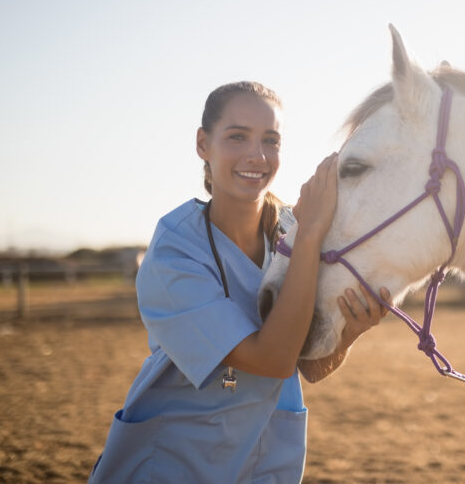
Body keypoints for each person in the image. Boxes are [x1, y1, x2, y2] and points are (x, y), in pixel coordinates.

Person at [89, 81, 390, 483]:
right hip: (174, 463)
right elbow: (272, 361)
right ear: (202, 144)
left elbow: (308, 366)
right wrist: (312, 235)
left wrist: (350, 331)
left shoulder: (293, 231)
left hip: (263, 464)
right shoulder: (174, 253)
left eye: (271, 140)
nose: (258, 155)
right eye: (237, 137)